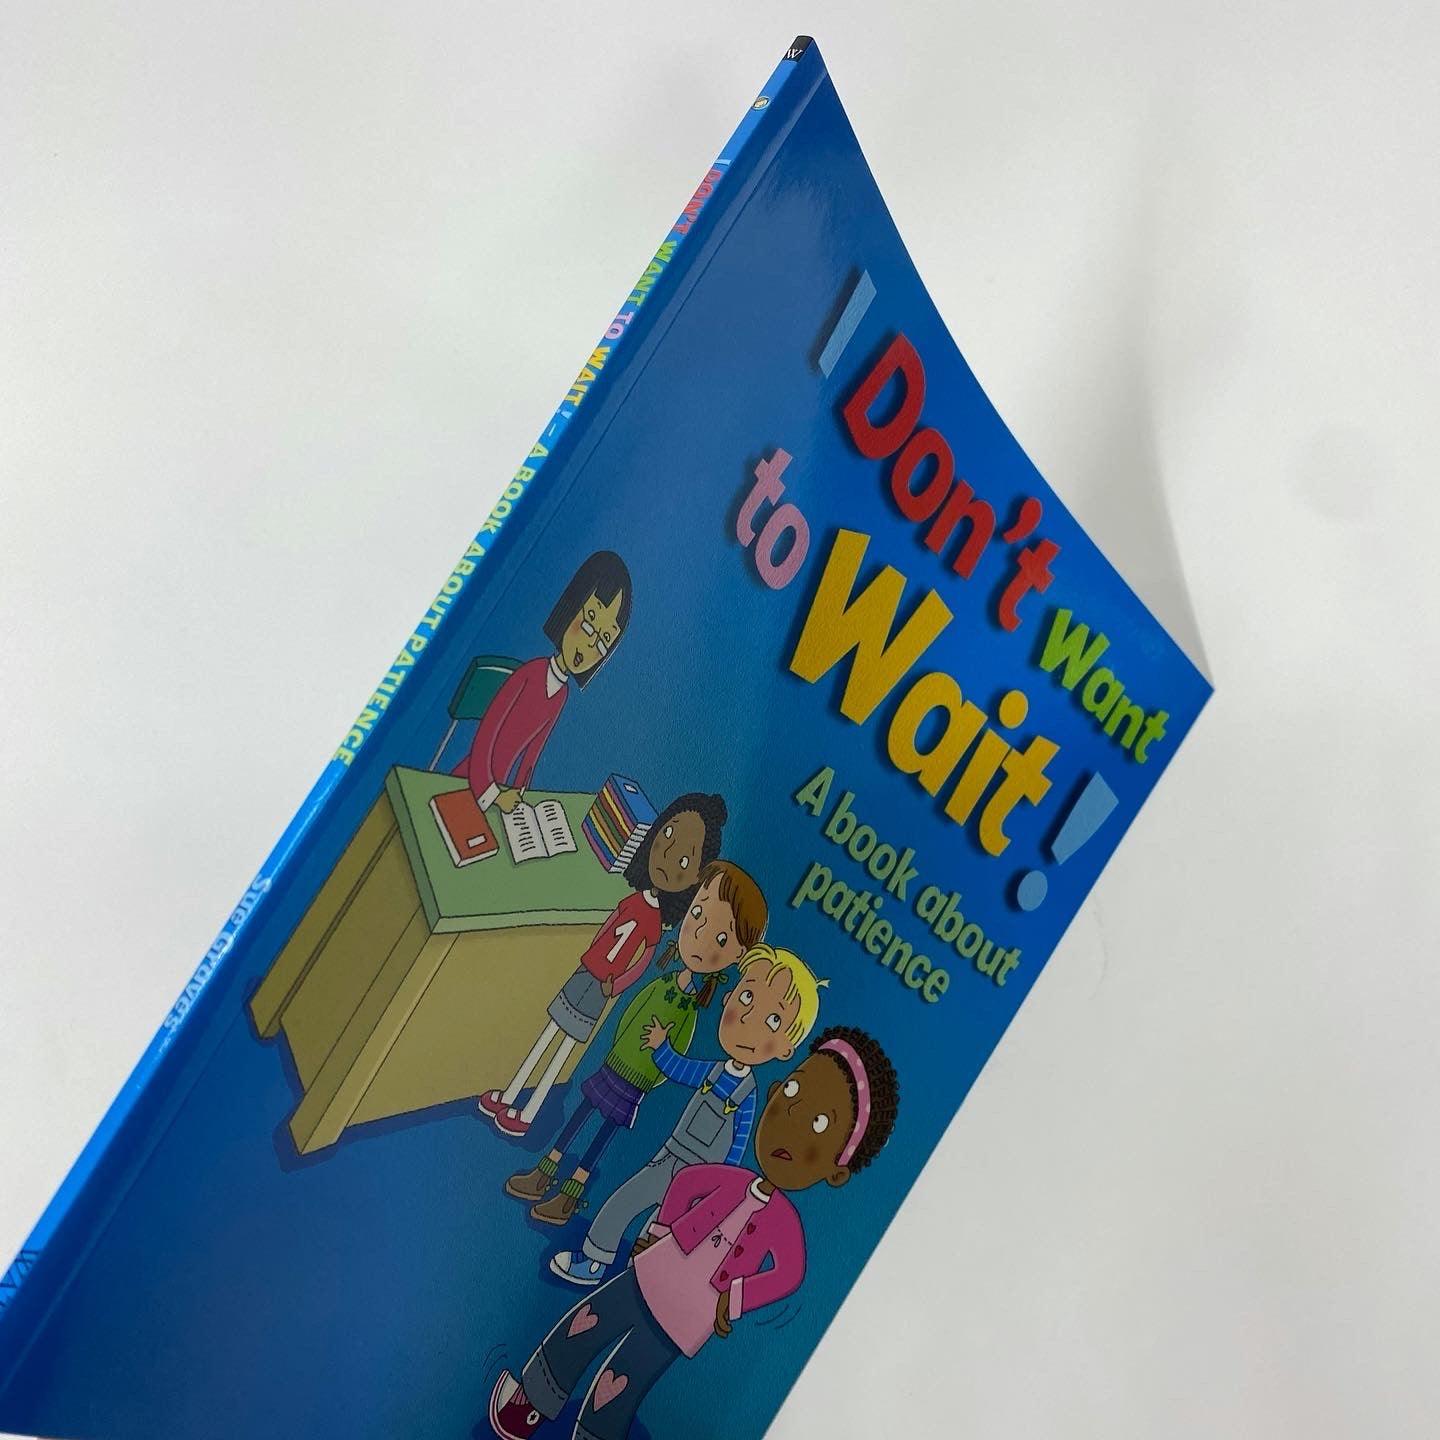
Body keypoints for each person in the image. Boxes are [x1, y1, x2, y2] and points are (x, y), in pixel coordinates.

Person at [487, 1025, 901, 1440]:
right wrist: (659, 1231)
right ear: (775, 1092)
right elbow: (686, 1183)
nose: (792, 1118)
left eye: (819, 1123)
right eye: (791, 1092)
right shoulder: (731, 1178)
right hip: (655, 1271)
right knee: (588, 1323)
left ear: (836, 1171)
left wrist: (734, 1299)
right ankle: (531, 1401)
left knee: (626, 1380)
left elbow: (788, 1274)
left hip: (693, 1314)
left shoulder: (784, 1222)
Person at [509, 861, 768, 1227]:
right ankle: (546, 1170)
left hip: (637, 1079)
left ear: (738, 954)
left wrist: (650, 1070)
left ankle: (571, 1193)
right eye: (697, 914)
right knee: (582, 1112)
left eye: (721, 939)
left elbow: (677, 1051)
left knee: (603, 1133)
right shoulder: (663, 983)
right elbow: (632, 1013)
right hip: (615, 1062)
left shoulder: (690, 1008)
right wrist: (619, 1048)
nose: (700, 934)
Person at [549, 942, 822, 1285]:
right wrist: (662, 1047)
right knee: (627, 1199)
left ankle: (639, 1279)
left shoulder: (747, 1095)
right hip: (670, 1155)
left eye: (773, 1020)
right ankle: (593, 1260)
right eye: (747, 997)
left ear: (785, 1048)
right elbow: (681, 1069)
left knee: (663, 1232)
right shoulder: (713, 1070)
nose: (748, 1020)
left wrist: (721, 1186)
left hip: (700, 1178)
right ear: (728, 998)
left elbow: (738, 1146)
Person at [479, 794, 728, 1138]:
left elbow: (641, 963)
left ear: (694, 879)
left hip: (601, 985)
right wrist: (590, 955)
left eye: (684, 859)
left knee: (564, 1046)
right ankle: (509, 1095)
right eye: (667, 836)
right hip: (585, 972)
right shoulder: (632, 899)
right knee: (549, 1031)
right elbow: (608, 928)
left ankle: (528, 1112)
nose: (668, 856)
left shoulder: (655, 924)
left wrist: (617, 984)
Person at [455, 550, 631, 815]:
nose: (589, 645)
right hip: (472, 782)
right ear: (572, 607)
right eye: (588, 625)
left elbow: (532, 753)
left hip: (501, 793)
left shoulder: (561, 695)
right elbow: (485, 737)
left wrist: (520, 791)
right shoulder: (531, 673)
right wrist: (493, 794)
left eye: (603, 641)